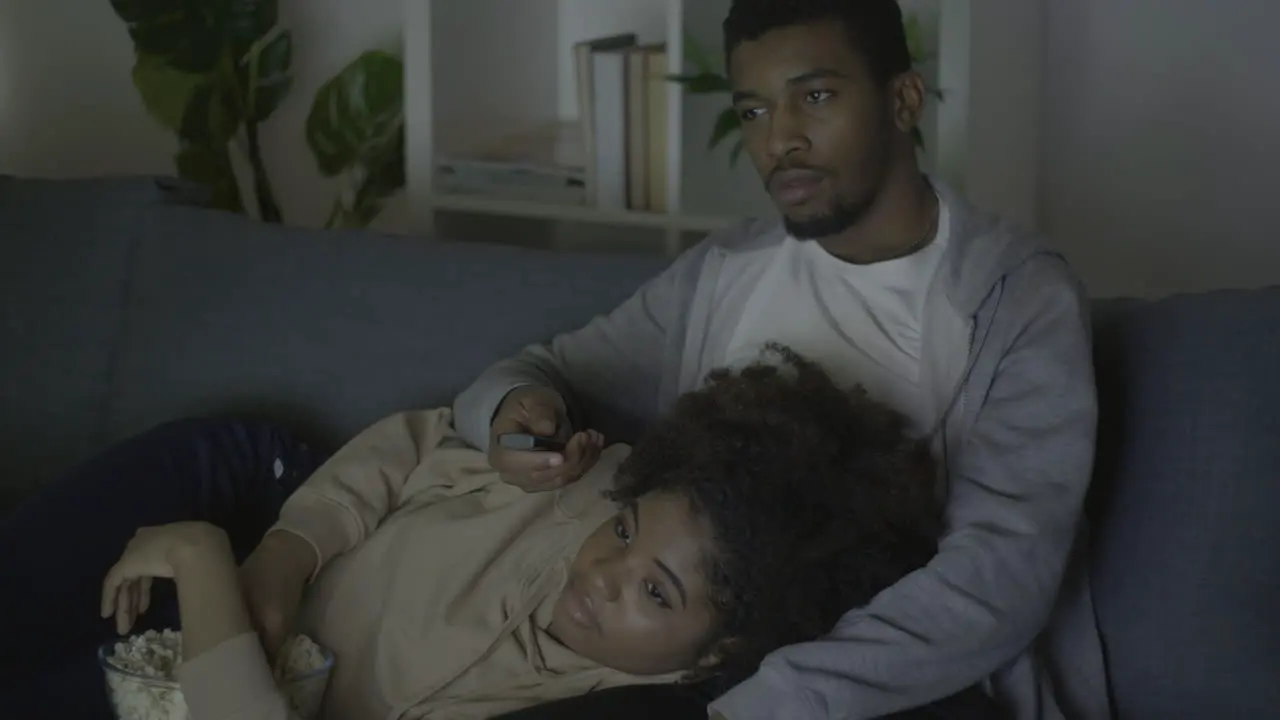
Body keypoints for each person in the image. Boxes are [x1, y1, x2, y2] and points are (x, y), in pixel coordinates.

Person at [452, 1, 1107, 719]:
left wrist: (778, 701)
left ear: (903, 99)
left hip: (906, 691)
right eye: (754, 112)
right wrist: (509, 423)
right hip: (701, 672)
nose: (780, 140)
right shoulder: (725, 273)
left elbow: (1003, 573)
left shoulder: (1014, 297)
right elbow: (532, 377)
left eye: (816, 97)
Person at [6, 347, 946, 719]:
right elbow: (419, 442)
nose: (603, 572)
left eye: (655, 592)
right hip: (266, 490)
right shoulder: (593, 479)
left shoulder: (617, 696)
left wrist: (206, 563)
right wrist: (280, 557)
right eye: (622, 534)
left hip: (210, 664)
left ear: (726, 648)